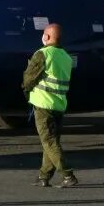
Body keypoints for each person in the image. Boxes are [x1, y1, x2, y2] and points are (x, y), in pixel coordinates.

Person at [22, 23, 78, 188]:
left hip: (43, 103)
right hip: (59, 104)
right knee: (51, 142)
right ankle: (43, 176)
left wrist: (26, 91)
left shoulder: (42, 54)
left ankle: (68, 175)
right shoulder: (66, 57)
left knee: (49, 141)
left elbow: (29, 77)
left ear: (46, 37)